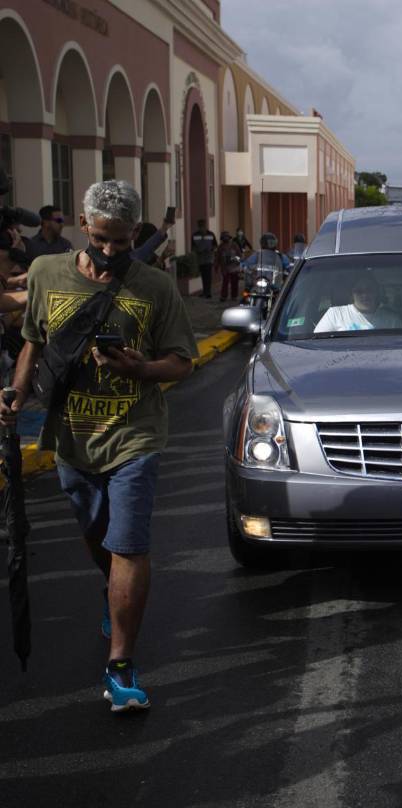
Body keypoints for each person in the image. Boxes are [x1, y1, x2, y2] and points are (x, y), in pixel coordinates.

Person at [3, 180, 197, 712]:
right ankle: (111, 596)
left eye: (123, 241)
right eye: (104, 239)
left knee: (129, 545)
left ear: (137, 232)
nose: (111, 252)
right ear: (84, 227)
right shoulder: (47, 273)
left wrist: (143, 368)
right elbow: (33, 344)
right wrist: (15, 396)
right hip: (71, 440)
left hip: (135, 435)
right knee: (99, 542)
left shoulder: (155, 286)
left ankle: (120, 666)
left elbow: (183, 361)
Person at [315, 275, 402, 332]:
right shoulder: (335, 314)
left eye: (369, 290)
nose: (365, 295)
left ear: (377, 293)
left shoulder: (392, 320)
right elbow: (318, 343)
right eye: (359, 291)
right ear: (351, 295)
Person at [191, 219, 218, 299]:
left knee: (208, 275)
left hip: (209, 258)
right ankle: (204, 291)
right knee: (203, 276)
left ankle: (208, 292)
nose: (202, 228)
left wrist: (211, 249)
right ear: (198, 227)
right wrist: (197, 250)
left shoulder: (211, 234)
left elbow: (215, 245)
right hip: (200, 258)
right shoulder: (195, 235)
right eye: (201, 226)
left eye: (203, 226)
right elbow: (192, 247)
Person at [216, 232, 244, 301]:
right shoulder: (220, 247)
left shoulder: (234, 245)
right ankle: (223, 296)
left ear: (229, 238)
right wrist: (216, 265)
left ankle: (234, 296)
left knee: (234, 282)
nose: (225, 238)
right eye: (224, 237)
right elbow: (217, 257)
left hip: (234, 267)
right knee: (225, 282)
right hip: (225, 267)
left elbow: (240, 255)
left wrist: (235, 260)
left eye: (226, 237)